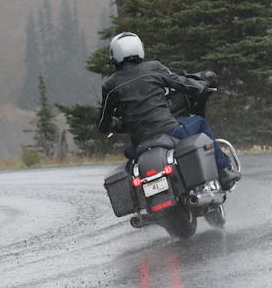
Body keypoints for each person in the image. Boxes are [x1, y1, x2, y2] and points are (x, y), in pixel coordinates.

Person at [96, 32, 241, 190]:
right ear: (139, 49)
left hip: (140, 143)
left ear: (115, 55)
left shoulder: (110, 85)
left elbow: (103, 122)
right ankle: (224, 172)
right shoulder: (153, 68)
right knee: (200, 123)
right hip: (170, 131)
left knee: (129, 155)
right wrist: (201, 87)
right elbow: (183, 83)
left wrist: (115, 124)